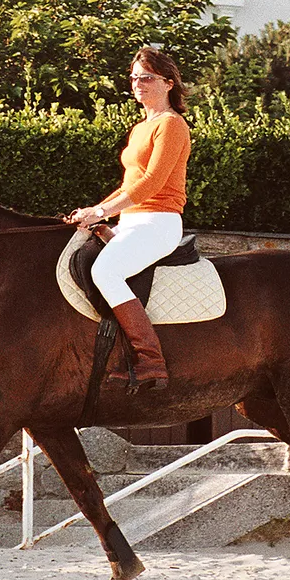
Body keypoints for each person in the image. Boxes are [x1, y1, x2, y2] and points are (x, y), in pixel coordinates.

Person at [67, 46, 191, 390]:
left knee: (105, 271)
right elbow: (130, 184)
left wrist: (103, 211)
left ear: (168, 83)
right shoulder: (141, 127)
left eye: (146, 77)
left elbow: (152, 182)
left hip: (159, 222)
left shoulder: (172, 125)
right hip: (133, 222)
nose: (138, 84)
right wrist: (93, 212)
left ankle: (150, 359)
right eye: (134, 78)